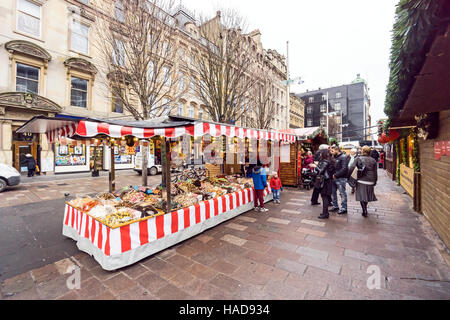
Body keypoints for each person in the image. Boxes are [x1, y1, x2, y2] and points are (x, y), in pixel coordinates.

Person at [311, 149, 336, 219]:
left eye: (321, 153)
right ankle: (325, 213)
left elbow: (321, 171)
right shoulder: (331, 160)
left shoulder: (325, 161)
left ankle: (325, 214)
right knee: (325, 197)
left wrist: (315, 166)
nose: (320, 155)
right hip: (328, 181)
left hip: (325, 181)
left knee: (324, 197)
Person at [356, 146, 378, 217]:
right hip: (371, 180)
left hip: (361, 180)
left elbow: (352, 168)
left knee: (362, 195)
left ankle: (364, 210)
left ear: (362, 151)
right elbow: (375, 172)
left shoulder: (358, 158)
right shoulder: (373, 160)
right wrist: (375, 181)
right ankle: (365, 208)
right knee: (367, 195)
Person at [330, 145, 349, 215]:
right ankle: (335, 206)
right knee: (333, 193)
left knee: (342, 193)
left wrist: (335, 175)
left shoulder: (343, 157)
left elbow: (344, 168)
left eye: (332, 151)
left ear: (336, 150)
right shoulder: (334, 157)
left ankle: (344, 208)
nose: (331, 152)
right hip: (333, 178)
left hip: (341, 178)